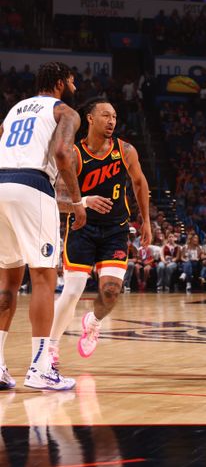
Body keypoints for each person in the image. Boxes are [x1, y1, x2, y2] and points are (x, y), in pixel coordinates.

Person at [0, 61, 86, 390]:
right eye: (73, 81)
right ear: (62, 83)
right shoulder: (66, 112)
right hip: (31, 186)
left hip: (1, 184)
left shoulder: (15, 111)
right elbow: (64, 154)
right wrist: (77, 202)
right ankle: (40, 368)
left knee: (8, 281)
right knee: (43, 277)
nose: (75, 87)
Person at [48, 98, 151, 369]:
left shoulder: (125, 150)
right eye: (106, 115)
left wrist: (147, 222)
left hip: (116, 230)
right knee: (71, 292)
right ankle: (51, 347)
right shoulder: (74, 154)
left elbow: (139, 183)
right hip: (82, 228)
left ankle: (93, 323)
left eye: (114, 116)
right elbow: (56, 200)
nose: (112, 121)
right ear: (90, 119)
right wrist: (83, 201)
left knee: (111, 291)